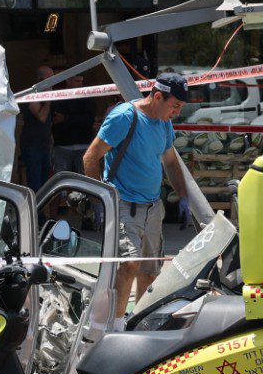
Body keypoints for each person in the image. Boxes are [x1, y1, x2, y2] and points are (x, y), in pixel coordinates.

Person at [82, 74, 193, 311]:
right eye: (175, 106)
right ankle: (118, 326)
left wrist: (183, 196)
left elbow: (171, 162)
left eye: (181, 107)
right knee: (129, 265)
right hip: (124, 203)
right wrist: (100, 200)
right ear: (158, 96)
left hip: (152, 207)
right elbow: (91, 157)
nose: (177, 112)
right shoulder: (125, 117)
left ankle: (137, 322)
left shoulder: (164, 122)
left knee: (150, 271)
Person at [50, 75, 97, 176]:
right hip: (63, 145)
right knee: (61, 180)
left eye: (81, 81)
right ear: (68, 81)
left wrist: (65, 118)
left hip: (83, 145)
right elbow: (55, 118)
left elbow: (89, 120)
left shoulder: (87, 97)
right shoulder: (59, 96)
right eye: (77, 81)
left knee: (84, 181)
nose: (80, 84)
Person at [18, 65, 55, 194]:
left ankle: (42, 212)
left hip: (44, 145)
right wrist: (49, 100)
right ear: (41, 79)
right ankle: (37, 213)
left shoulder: (43, 95)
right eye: (50, 79)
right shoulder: (33, 95)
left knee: (45, 181)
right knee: (35, 182)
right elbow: (41, 117)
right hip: (33, 146)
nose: (53, 82)